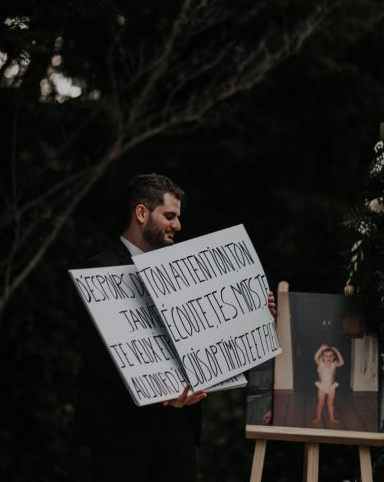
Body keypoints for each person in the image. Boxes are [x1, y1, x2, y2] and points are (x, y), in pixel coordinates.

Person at [74, 173, 276, 482]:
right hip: (121, 435)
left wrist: (256, 313)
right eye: (169, 216)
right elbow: (98, 357)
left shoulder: (188, 272)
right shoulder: (98, 271)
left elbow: (214, 328)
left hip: (179, 432)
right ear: (141, 213)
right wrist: (161, 390)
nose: (178, 226)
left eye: (178, 217)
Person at [312, 343, 344, 425]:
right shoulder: (321, 364)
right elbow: (315, 357)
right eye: (326, 355)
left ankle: (332, 418)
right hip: (322, 387)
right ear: (322, 357)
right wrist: (321, 348)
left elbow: (342, 363)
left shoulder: (334, 364)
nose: (328, 357)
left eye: (331, 356)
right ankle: (318, 417)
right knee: (320, 403)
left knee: (330, 403)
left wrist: (336, 351)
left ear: (333, 357)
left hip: (331, 387)